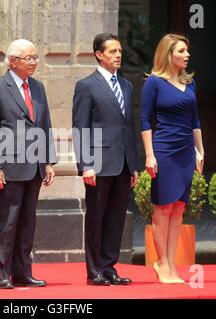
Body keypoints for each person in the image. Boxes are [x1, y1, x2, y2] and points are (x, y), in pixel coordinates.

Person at [0, 39, 56, 289]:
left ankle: (23, 271)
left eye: (35, 57)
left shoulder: (38, 87)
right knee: (6, 221)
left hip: (33, 165)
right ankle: (2, 273)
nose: (34, 62)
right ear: (13, 61)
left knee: (27, 222)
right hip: (8, 167)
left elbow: (44, 125)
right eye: (29, 58)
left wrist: (47, 161)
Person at [72, 33, 139, 286]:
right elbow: (80, 127)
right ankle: (94, 271)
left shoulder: (127, 85)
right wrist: (85, 164)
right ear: (99, 54)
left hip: (122, 164)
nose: (118, 55)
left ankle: (110, 267)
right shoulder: (86, 86)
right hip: (98, 164)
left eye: (119, 51)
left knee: (116, 218)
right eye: (112, 51)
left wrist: (133, 166)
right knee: (97, 217)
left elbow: (128, 128)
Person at [140, 34, 204, 284]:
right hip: (164, 149)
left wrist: (200, 150)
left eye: (187, 51)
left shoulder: (190, 83)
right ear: (169, 54)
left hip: (187, 151)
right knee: (163, 207)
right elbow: (145, 120)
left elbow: (195, 121)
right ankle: (162, 263)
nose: (187, 55)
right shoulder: (154, 82)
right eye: (181, 51)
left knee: (178, 209)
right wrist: (149, 155)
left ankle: (171, 264)